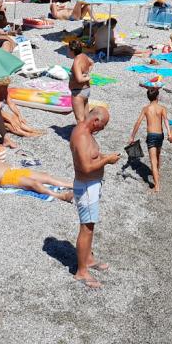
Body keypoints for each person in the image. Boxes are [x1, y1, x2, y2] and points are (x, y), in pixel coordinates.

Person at [70, 107, 118, 288]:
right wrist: (107, 161)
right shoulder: (81, 136)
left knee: (90, 225)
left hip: (91, 186)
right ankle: (81, 272)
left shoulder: (87, 132)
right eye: (103, 125)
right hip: (86, 187)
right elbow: (85, 168)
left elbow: (92, 157)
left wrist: (105, 156)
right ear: (95, 120)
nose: (103, 129)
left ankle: (88, 259)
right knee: (86, 228)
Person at [129, 87, 170, 193]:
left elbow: (138, 122)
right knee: (158, 155)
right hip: (160, 135)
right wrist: (169, 133)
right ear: (157, 97)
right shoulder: (162, 108)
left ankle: (156, 186)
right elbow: (166, 121)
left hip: (151, 135)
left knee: (153, 161)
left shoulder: (146, 108)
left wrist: (132, 136)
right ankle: (157, 173)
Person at [68, 39, 94, 122]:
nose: (68, 52)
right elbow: (92, 62)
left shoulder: (76, 61)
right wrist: (87, 73)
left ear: (72, 51)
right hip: (86, 90)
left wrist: (87, 77)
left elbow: (79, 79)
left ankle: (81, 134)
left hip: (78, 93)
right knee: (86, 118)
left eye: (69, 50)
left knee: (80, 120)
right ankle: (88, 133)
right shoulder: (84, 56)